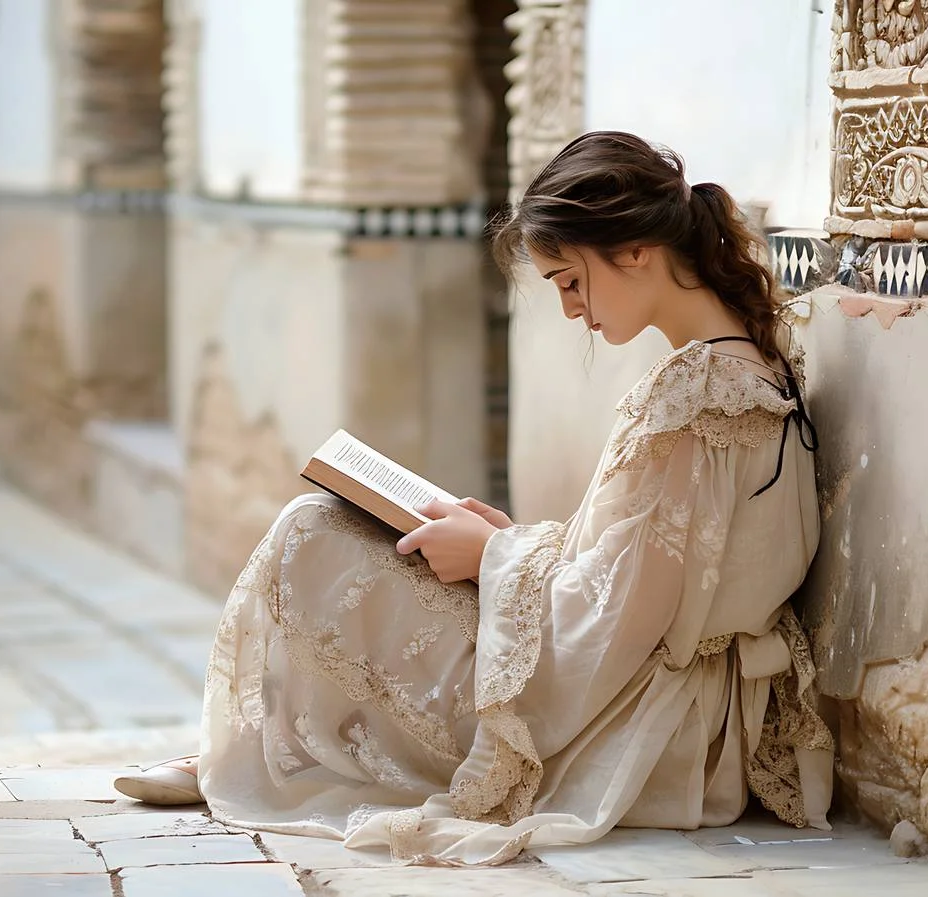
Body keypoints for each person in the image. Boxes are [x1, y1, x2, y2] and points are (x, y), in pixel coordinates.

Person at [113, 131, 832, 867]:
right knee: (340, 529)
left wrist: (494, 555)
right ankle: (242, 754)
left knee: (315, 530)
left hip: (639, 722)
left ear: (637, 250)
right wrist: (508, 539)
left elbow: (621, 618)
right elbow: (641, 572)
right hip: (663, 701)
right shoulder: (734, 369)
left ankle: (240, 760)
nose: (572, 310)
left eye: (569, 281)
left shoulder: (700, 394)